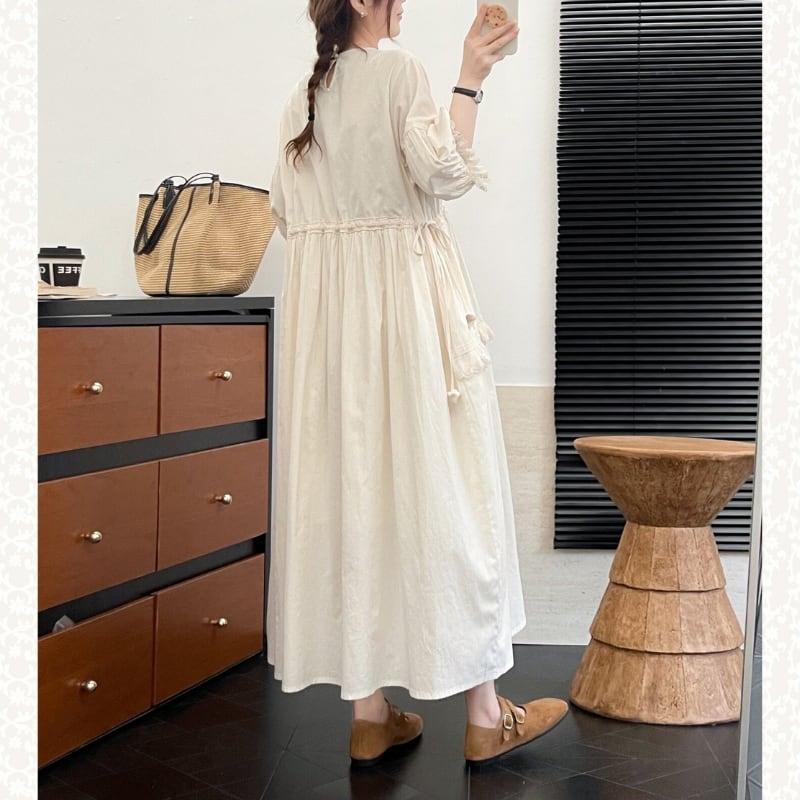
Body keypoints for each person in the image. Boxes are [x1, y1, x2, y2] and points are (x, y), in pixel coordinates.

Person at [268, 0, 568, 766]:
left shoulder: (305, 96)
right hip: (406, 322)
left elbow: (286, 212)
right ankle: (484, 716)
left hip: (333, 343)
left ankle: (370, 716)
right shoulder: (396, 71)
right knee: (451, 494)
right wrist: (470, 76)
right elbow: (445, 174)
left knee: (356, 500)